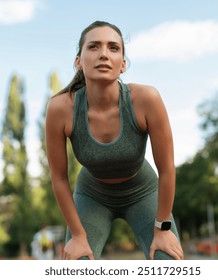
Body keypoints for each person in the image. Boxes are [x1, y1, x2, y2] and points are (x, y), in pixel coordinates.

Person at [45, 20, 184, 260]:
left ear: (123, 65)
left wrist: (163, 228)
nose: (103, 55)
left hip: (143, 191)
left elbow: (167, 169)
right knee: (76, 265)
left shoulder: (146, 99)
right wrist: (78, 236)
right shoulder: (60, 109)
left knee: (167, 259)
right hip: (93, 195)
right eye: (93, 47)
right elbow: (58, 178)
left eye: (113, 48)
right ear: (78, 62)